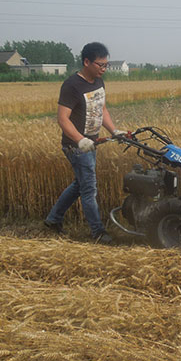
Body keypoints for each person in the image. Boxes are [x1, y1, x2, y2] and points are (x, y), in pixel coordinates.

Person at [44, 42, 125, 244]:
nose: (104, 69)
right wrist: (80, 140)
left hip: (92, 142)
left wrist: (113, 130)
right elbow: (63, 119)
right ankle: (98, 232)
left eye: (106, 65)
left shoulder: (99, 82)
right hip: (76, 146)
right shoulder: (72, 86)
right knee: (89, 188)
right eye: (100, 65)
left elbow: (102, 110)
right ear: (86, 62)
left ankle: (53, 219)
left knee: (80, 185)